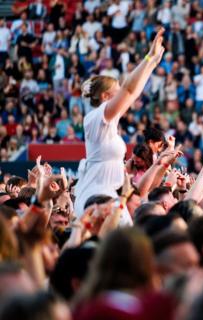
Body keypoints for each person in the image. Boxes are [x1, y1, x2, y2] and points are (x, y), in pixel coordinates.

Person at [74, 29, 166, 224]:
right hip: (95, 196)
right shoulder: (95, 117)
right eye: (117, 92)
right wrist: (148, 58)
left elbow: (133, 93)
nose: (122, 95)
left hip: (109, 195)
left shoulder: (109, 121)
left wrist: (152, 64)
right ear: (105, 97)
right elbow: (129, 89)